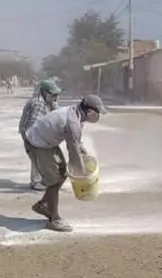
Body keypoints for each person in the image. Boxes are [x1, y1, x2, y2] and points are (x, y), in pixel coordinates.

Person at [24, 93, 107, 232]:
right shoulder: (73, 122)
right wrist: (84, 177)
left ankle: (43, 205)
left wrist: (85, 154)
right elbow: (73, 152)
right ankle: (54, 219)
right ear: (90, 111)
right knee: (54, 181)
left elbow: (76, 143)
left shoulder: (77, 115)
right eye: (98, 113)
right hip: (37, 144)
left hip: (47, 143)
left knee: (63, 173)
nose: (99, 116)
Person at [18, 79, 61, 191]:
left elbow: (58, 114)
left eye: (57, 95)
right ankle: (36, 181)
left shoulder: (50, 101)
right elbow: (34, 126)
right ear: (45, 93)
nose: (56, 98)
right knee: (38, 155)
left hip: (38, 132)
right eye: (54, 95)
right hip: (30, 133)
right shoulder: (39, 104)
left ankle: (46, 178)